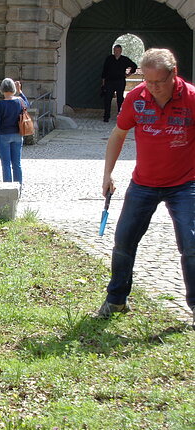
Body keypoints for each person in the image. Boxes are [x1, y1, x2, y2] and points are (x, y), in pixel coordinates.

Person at [97, 48, 195, 327]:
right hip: (143, 183)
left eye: (159, 82)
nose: (152, 88)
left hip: (185, 184)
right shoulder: (137, 98)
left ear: (174, 74)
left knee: (192, 244)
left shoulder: (191, 98)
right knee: (124, 241)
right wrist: (108, 174)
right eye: (148, 81)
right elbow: (118, 134)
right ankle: (116, 300)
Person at [0, 78, 29, 183]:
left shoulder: (0, 104)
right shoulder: (19, 101)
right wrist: (20, 92)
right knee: (17, 164)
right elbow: (27, 105)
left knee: (6, 164)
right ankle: (19, 187)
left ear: (2, 89)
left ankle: (8, 188)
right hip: (17, 134)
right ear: (13, 89)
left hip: (4, 135)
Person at [101, 44, 137, 122]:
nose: (116, 52)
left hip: (120, 81)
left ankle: (121, 116)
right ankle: (106, 116)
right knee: (107, 99)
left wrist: (128, 74)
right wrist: (103, 83)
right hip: (109, 81)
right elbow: (104, 70)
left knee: (120, 99)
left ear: (121, 51)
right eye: (115, 50)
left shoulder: (124, 59)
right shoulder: (109, 59)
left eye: (118, 50)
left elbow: (134, 66)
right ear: (113, 51)